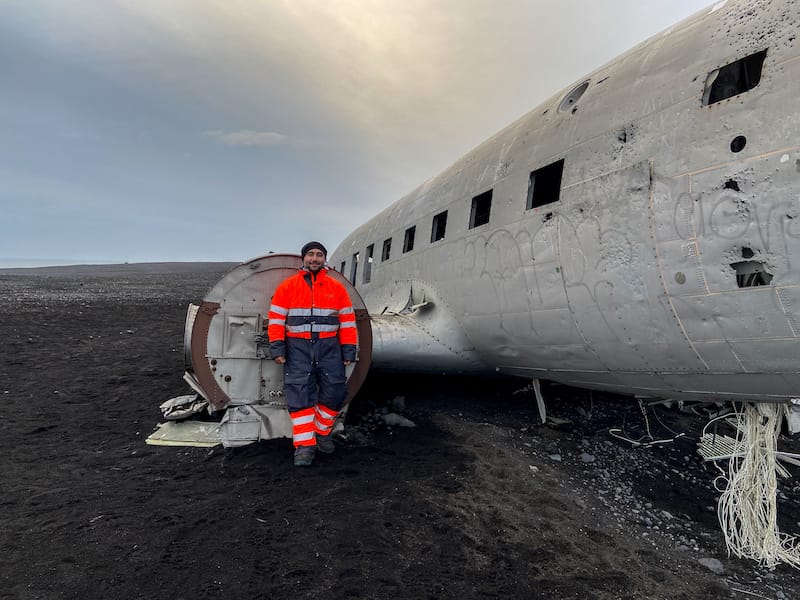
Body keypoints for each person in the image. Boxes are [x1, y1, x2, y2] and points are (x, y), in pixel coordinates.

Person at [267, 241, 358, 467]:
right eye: (311, 254)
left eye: (319, 255)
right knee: (300, 398)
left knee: (336, 392)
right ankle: (305, 447)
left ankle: (321, 431)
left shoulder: (337, 289)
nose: (315, 259)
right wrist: (277, 347)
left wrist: (348, 349)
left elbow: (347, 322)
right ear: (304, 259)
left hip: (329, 349)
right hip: (298, 349)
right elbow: (276, 320)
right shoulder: (288, 287)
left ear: (324, 259)